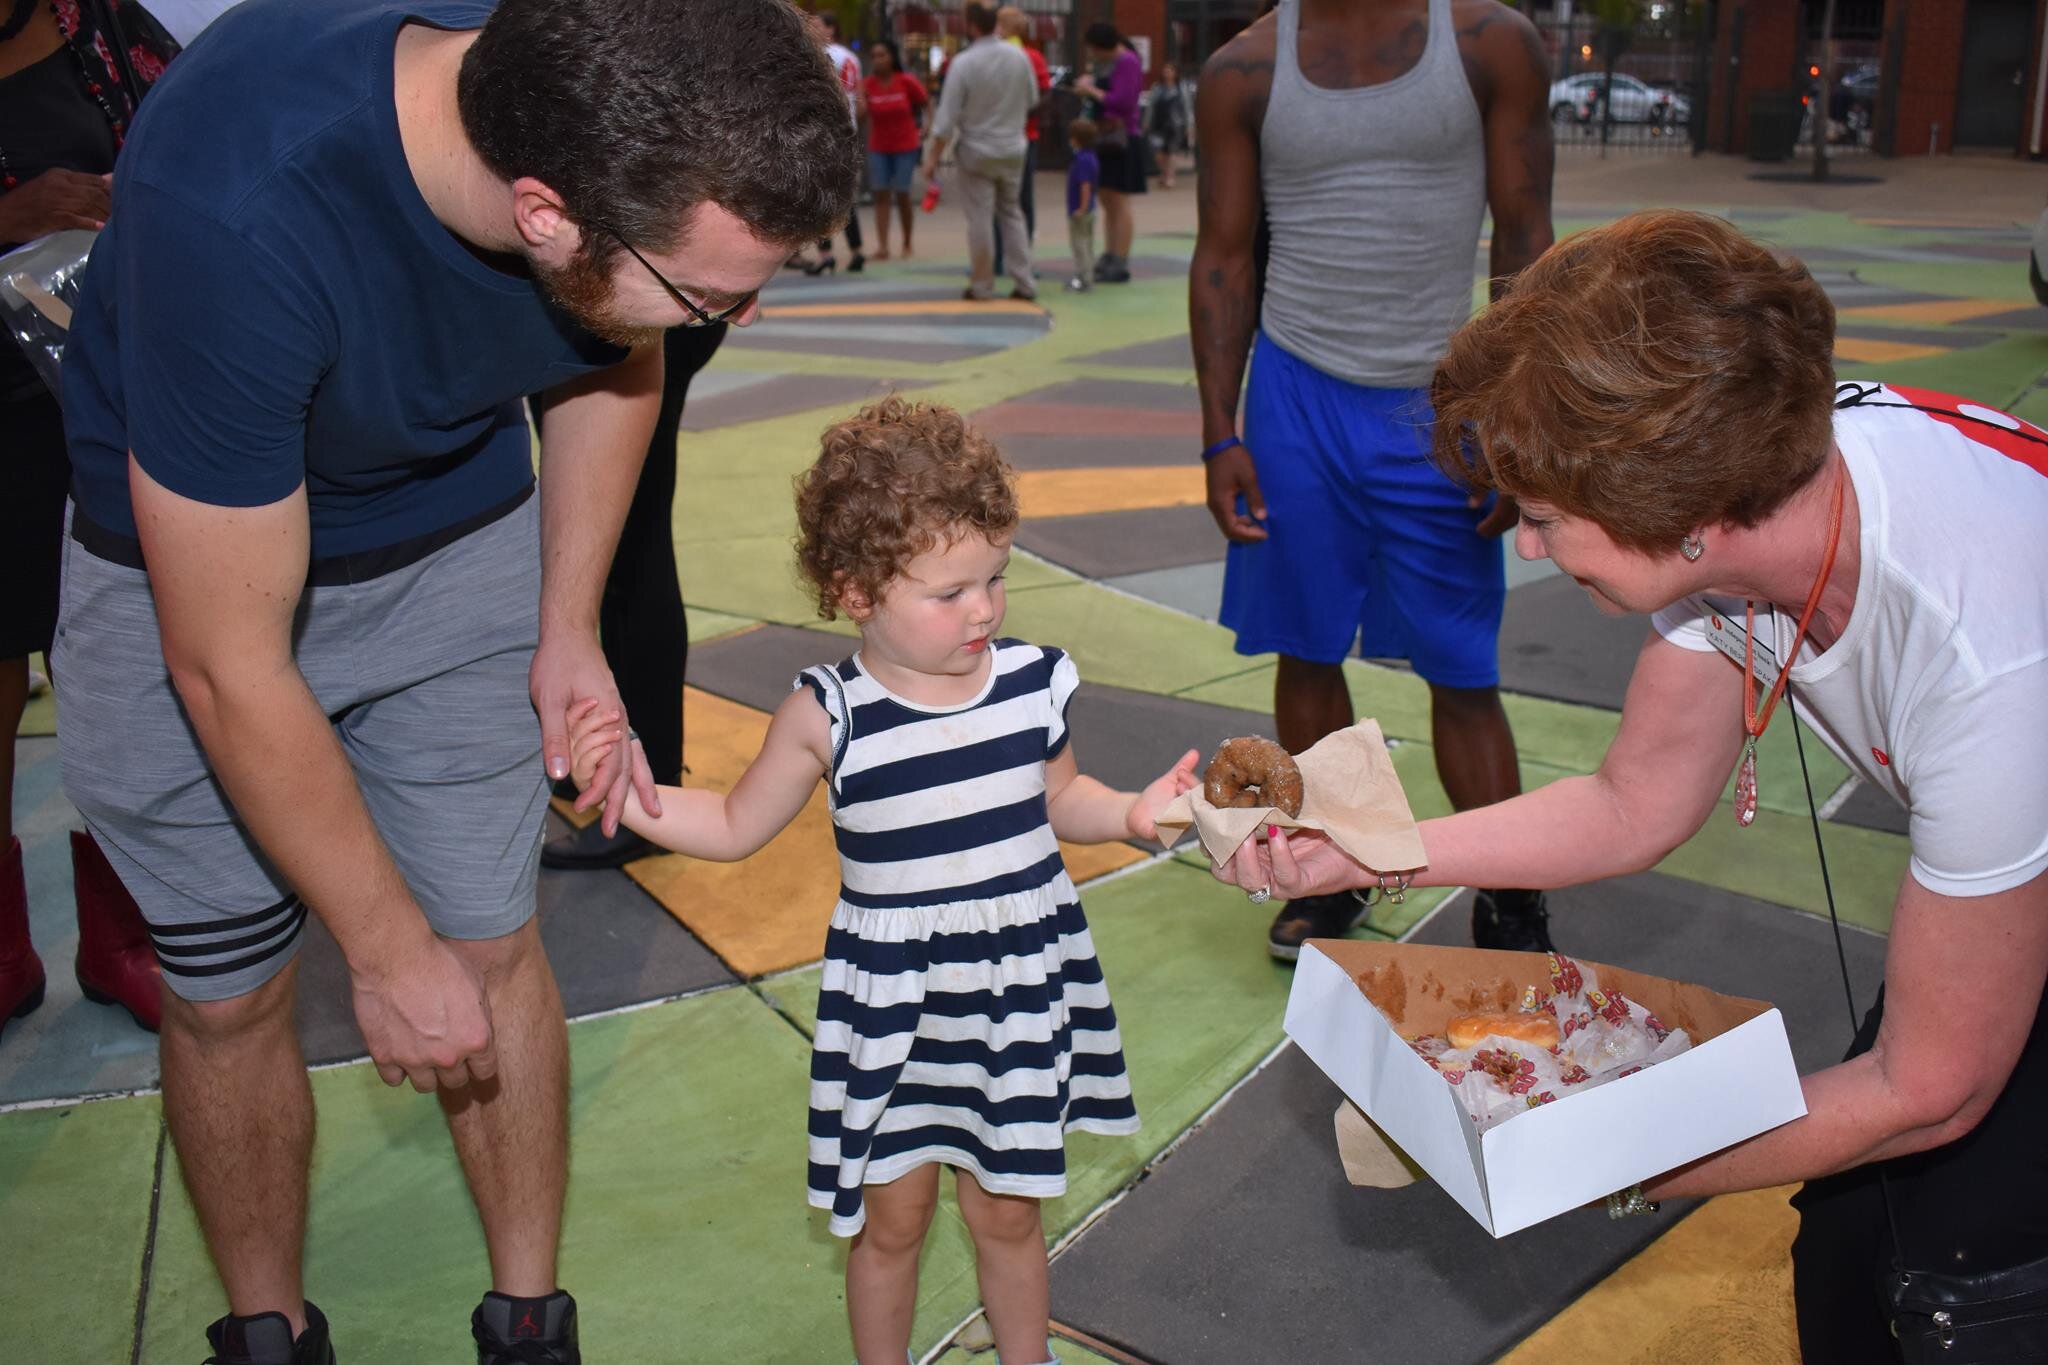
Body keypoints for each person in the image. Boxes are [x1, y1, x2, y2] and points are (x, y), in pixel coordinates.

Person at [54, 0, 858, 1359]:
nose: (742, 317)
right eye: (717, 293)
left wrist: (568, 624)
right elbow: (227, 664)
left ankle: (528, 1318)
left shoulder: (596, 95)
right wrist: (376, 946)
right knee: (229, 991)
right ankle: (268, 1328)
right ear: (542, 213)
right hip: (192, 579)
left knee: (488, 954)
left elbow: (622, 355)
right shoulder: (238, 201)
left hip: (453, 532)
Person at [1217, 210, 2048, 1360]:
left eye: (1548, 519)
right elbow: (1633, 803)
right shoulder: (1739, 486)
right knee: (1845, 1241)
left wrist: (1584, 1154)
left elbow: (1931, 1088)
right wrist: (1380, 853)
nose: (1526, 545)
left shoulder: (1991, 662)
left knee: (1965, 1292)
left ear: (1688, 519)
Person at [564, 397, 1197, 1365]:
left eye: (995, 577)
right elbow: (733, 825)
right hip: (894, 1006)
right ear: (854, 591)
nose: (982, 609)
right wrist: (629, 795)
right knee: (889, 1223)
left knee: (1006, 1217)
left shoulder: (1031, 681)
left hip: (1013, 995)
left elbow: (1060, 799)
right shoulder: (830, 712)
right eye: (949, 592)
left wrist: (1128, 811)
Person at [1189, 0, 1556, 959]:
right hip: (1294, 400)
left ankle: (1511, 896)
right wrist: (1218, 432)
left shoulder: (1490, 44)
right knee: (1306, 653)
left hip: (1440, 407)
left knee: (1462, 669)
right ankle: (1332, 869)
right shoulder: (1244, 69)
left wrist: (1513, 416)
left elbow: (1525, 238)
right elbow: (1224, 257)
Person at [0, 0, 180, 1043]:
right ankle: (5, 951)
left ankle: (128, 939)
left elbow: (203, 137)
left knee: (116, 671)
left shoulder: (101, 22)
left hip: (96, 398)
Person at [535, 321, 729, 871]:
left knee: (627, 547)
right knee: (619, 544)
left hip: (621, 315)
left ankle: (651, 792)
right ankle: (611, 770)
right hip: (625, 308)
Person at [922, 1, 1036, 302]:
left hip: (976, 148)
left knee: (980, 218)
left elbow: (945, 120)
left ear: (971, 25)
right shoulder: (1019, 56)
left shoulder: (964, 63)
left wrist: (933, 157)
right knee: (1012, 212)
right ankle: (1024, 282)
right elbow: (1033, 97)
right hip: (1013, 145)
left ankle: (983, 284)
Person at [1072, 24, 1143, 284]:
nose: (1092, 54)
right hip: (1106, 137)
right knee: (1108, 199)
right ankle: (1111, 253)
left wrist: (1091, 91)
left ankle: (1120, 258)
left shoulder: (1127, 61)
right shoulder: (1109, 63)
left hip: (1121, 137)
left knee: (1119, 200)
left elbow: (1124, 100)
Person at [990, 5, 1049, 277]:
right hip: (1021, 135)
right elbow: (1045, 95)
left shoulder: (1029, 57)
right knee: (1018, 201)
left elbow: (1043, 95)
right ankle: (1010, 258)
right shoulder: (1031, 56)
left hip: (1015, 135)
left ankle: (1005, 258)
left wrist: (1013, 111)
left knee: (1009, 200)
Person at [807, 11, 866, 275]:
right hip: (847, 131)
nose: (811, 29)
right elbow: (860, 97)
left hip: (825, 133)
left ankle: (826, 254)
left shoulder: (821, 56)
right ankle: (856, 251)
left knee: (821, 196)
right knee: (846, 196)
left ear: (830, 29)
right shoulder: (851, 57)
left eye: (817, 25)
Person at [860, 38, 927, 261]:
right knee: (881, 194)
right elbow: (861, 115)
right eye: (874, 56)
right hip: (879, 146)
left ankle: (907, 242)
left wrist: (927, 127)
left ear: (892, 57)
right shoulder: (868, 84)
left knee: (902, 193)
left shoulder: (906, 81)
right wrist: (859, 103)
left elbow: (926, 103)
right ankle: (883, 246)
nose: (878, 60)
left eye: (883, 55)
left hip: (905, 146)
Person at [1064, 117, 1100, 293]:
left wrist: (1081, 208)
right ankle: (1087, 275)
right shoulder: (1089, 157)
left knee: (1080, 244)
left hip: (1080, 210)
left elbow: (1085, 186)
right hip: (1089, 209)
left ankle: (1083, 278)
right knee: (1087, 243)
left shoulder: (1083, 160)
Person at [1146, 61, 1191, 189]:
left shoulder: (1181, 88)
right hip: (1158, 123)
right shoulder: (1157, 88)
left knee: (1172, 151)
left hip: (1175, 124)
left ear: (1176, 73)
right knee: (1158, 152)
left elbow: (1187, 108)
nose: (1167, 73)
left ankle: (1170, 176)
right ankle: (1164, 171)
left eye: (1170, 70)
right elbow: (1150, 107)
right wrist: (1146, 122)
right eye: (1165, 70)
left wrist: (1189, 125)